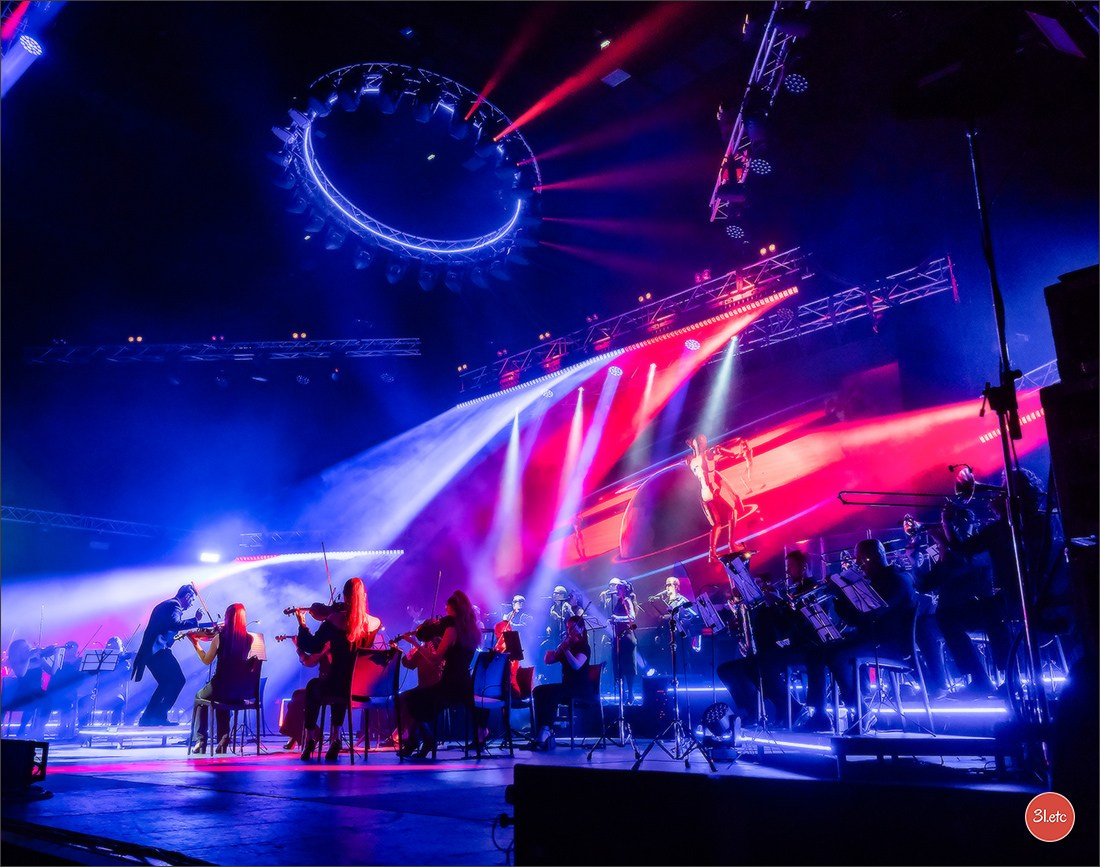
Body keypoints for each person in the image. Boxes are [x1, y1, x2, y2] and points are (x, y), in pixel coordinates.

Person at [823, 539, 918, 723]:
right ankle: (858, 701)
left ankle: (861, 710)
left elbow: (869, 618)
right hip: (877, 639)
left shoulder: (896, 580)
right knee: (831, 648)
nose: (859, 565)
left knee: (837, 654)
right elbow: (858, 620)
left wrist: (843, 595)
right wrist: (838, 598)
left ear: (871, 558)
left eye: (860, 560)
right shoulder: (881, 580)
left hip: (892, 646)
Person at [295, 576, 381, 762]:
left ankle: (310, 738)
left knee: (312, 687)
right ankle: (335, 738)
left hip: (337, 684)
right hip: (360, 689)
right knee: (343, 686)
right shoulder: (375, 623)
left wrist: (302, 625)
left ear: (345, 596)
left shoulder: (334, 619)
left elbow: (313, 646)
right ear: (363, 597)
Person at [396, 590, 481, 759]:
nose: (445, 615)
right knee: (416, 697)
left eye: (447, 609)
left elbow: (435, 660)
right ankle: (419, 741)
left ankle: (425, 740)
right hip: (465, 684)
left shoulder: (452, 629)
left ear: (453, 608)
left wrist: (415, 644)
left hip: (450, 686)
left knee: (409, 698)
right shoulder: (471, 630)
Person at [187, 602, 256, 754]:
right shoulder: (249, 639)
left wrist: (195, 643)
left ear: (228, 618)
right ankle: (223, 739)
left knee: (200, 697)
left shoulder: (220, 638)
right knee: (223, 700)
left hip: (220, 687)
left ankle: (201, 741)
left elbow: (206, 660)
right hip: (238, 692)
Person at [132, 585, 205, 727]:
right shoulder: (174, 605)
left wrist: (175, 637)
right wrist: (195, 620)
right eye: (192, 600)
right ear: (187, 596)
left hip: (151, 651)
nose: (191, 604)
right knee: (178, 680)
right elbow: (175, 623)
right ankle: (158, 716)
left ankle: (148, 718)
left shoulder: (167, 605)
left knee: (165, 683)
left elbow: (167, 627)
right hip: (157, 651)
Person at [531, 616, 593, 749]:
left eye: (572, 629)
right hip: (567, 686)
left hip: (579, 688)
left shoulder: (584, 647)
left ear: (581, 628)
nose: (569, 631)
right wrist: (554, 651)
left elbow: (576, 665)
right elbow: (548, 661)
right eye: (568, 628)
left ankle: (547, 728)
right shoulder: (569, 645)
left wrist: (565, 650)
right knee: (538, 691)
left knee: (553, 693)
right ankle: (541, 729)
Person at [686, 434, 747, 563]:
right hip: (713, 492)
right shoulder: (708, 453)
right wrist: (733, 454)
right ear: (702, 444)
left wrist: (694, 447)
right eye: (703, 441)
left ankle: (712, 552)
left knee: (716, 523)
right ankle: (731, 544)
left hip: (704, 494)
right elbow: (718, 450)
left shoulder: (691, 461)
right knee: (731, 512)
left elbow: (700, 459)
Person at [78, 636, 134, 727]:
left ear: (121, 648)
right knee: (82, 702)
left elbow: (128, 677)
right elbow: (91, 672)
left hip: (115, 693)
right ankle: (82, 729)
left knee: (119, 702)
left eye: (116, 648)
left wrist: (132, 664)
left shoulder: (124, 663)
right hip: (99, 693)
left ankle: (113, 728)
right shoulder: (102, 660)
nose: (113, 650)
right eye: (110, 647)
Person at [599, 578, 638, 704]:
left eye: (619, 588)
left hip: (626, 637)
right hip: (618, 637)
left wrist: (616, 618)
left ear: (624, 590)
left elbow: (631, 617)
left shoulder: (626, 600)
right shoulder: (618, 602)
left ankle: (630, 695)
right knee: (618, 666)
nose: (616, 590)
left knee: (628, 667)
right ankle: (622, 695)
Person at [44, 640, 83, 739]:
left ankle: (63, 730)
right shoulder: (58, 660)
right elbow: (53, 673)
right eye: (68, 647)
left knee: (67, 701)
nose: (69, 649)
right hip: (54, 690)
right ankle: (40, 728)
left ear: (77, 650)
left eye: (72, 647)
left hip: (69, 691)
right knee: (46, 701)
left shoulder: (79, 661)